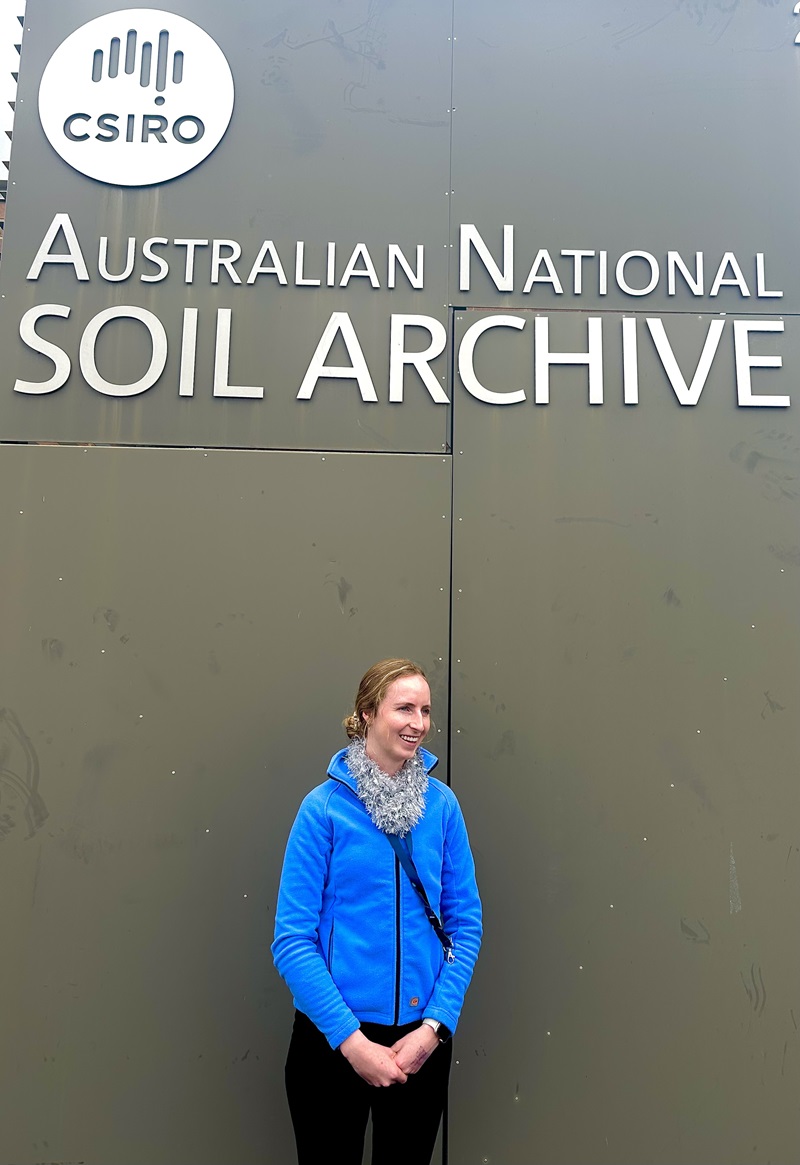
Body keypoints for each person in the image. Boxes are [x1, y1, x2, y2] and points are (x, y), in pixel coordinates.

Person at [272, 658, 482, 1165]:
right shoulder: (321, 809)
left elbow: (465, 927)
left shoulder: (443, 807)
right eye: (404, 708)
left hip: (419, 1046)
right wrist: (352, 1043)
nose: (418, 722)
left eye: (426, 710)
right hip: (332, 1042)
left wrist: (434, 1027)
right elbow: (292, 940)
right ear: (367, 713)